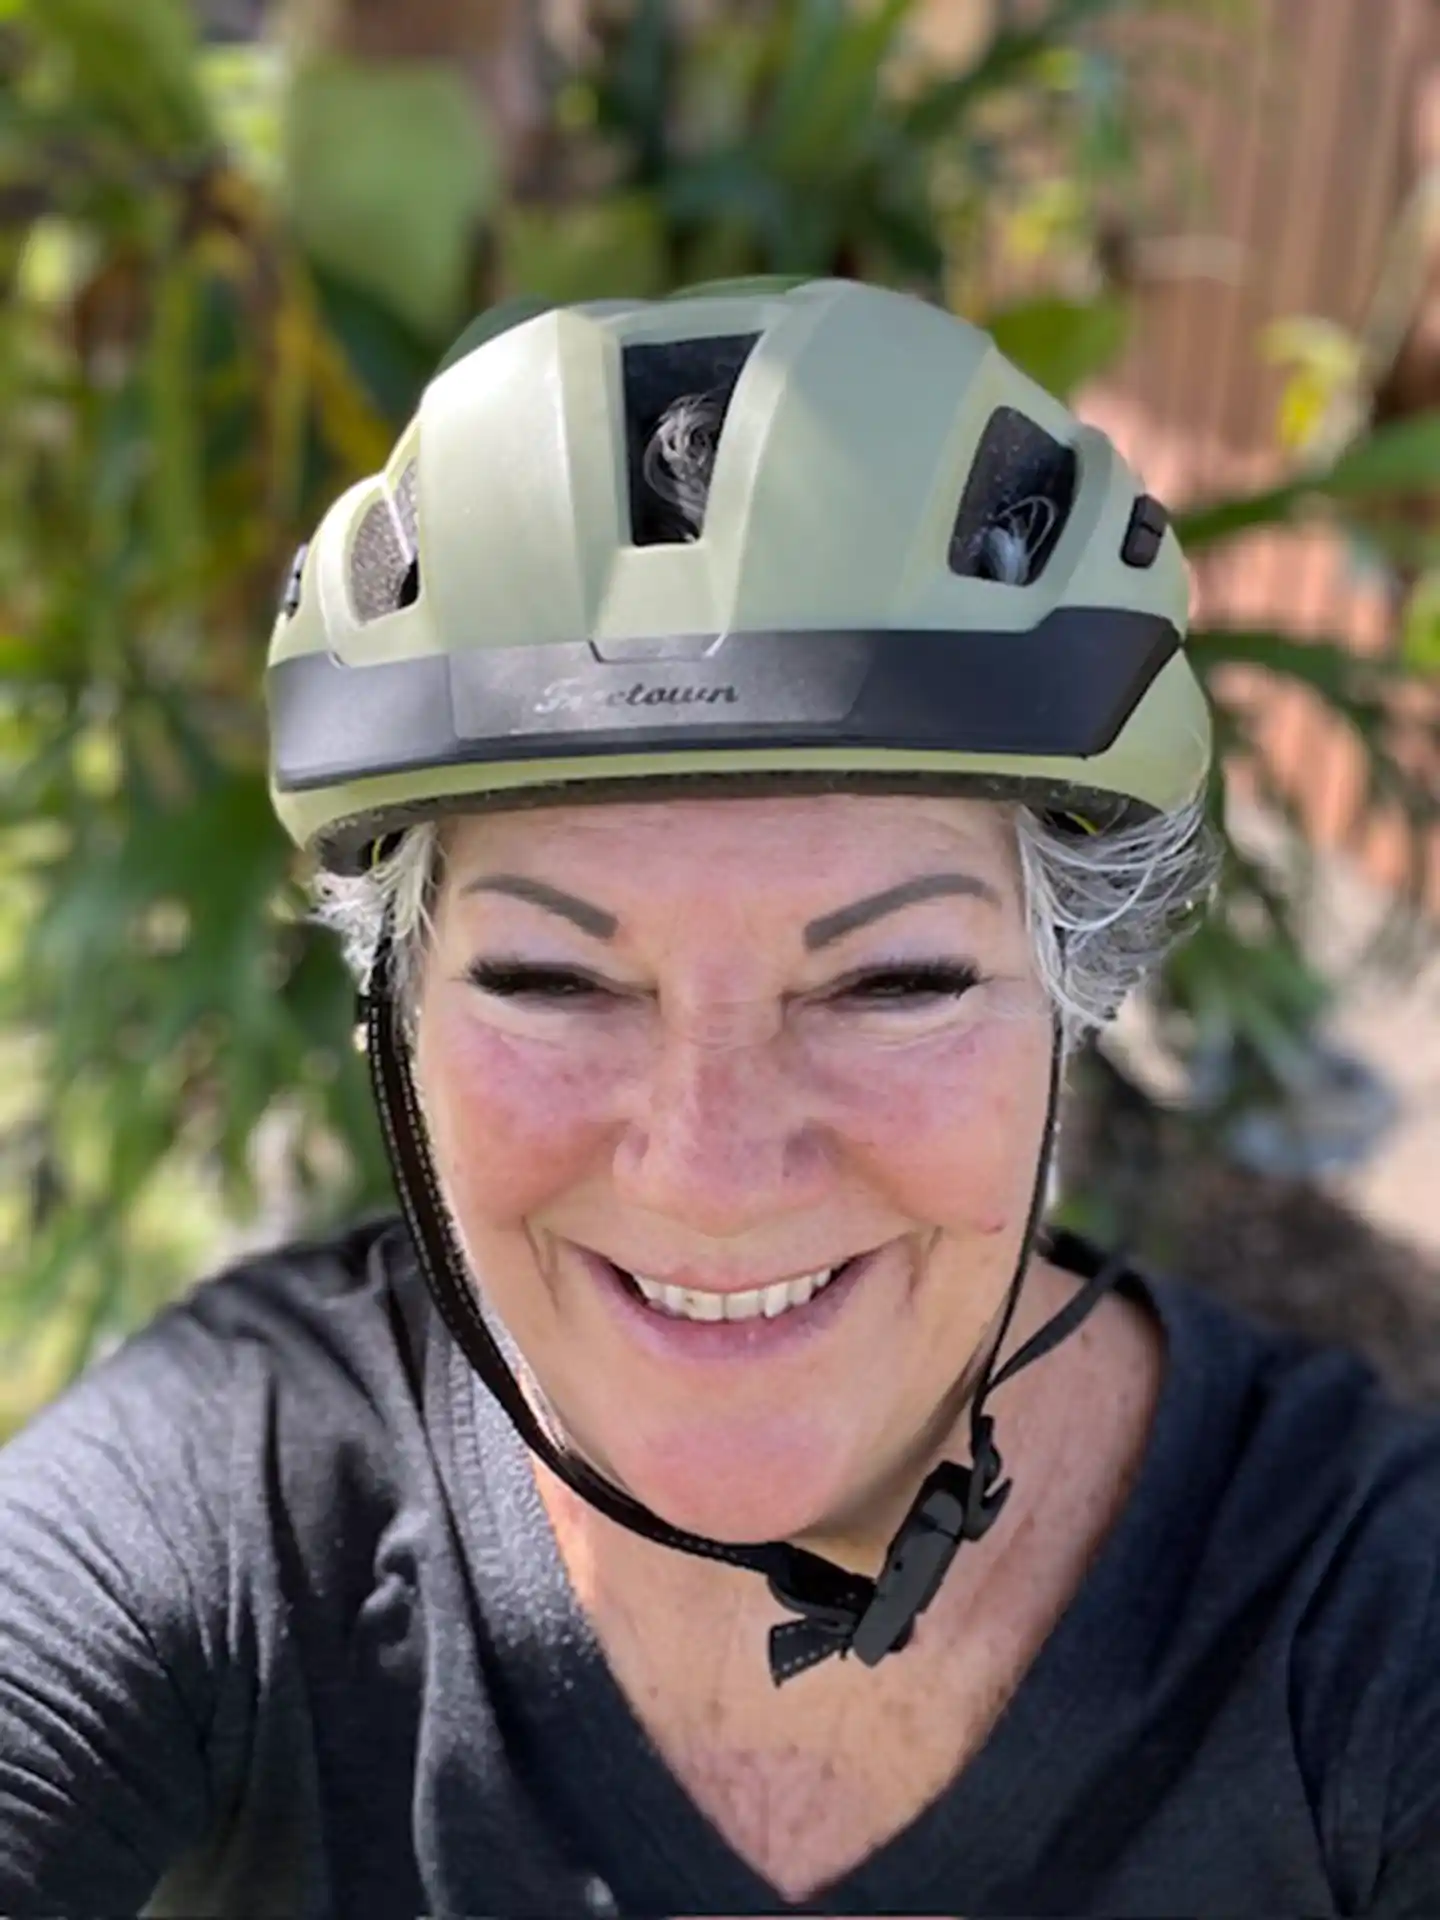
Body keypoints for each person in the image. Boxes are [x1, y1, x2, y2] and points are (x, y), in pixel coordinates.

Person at [1, 277, 1437, 1920]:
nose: (710, 1172)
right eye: (552, 982)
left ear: (1077, 995)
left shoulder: (1367, 1618)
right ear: (396, 1014)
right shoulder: (229, 1499)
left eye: (894, 983)